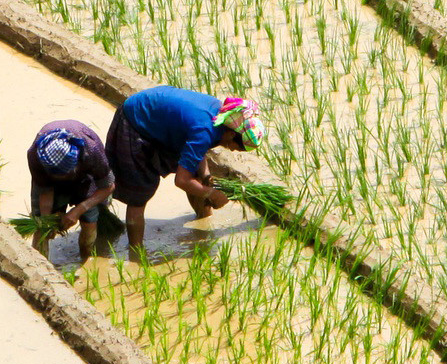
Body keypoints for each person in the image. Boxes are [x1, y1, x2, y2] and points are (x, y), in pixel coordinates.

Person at [105, 86, 268, 253]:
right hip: (136, 119)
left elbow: (198, 146)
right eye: (237, 148)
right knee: (141, 190)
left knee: (198, 176)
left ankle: (204, 219)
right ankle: (136, 251)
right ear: (232, 135)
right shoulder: (205, 130)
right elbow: (182, 181)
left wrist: (205, 176)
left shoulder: (222, 117)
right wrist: (212, 194)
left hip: (161, 120)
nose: (233, 151)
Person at [26, 120, 116, 259]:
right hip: (51, 185)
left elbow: (108, 186)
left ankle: (86, 258)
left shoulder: (91, 150)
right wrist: (46, 219)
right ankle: (38, 265)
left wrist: (78, 210)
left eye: (65, 174)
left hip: (85, 180)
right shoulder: (35, 155)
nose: (61, 178)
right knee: (40, 229)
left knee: (89, 223)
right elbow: (45, 189)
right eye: (56, 175)